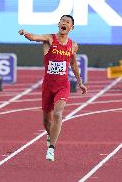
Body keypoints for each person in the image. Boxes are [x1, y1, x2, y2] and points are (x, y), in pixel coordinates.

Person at [18, 15, 87, 162]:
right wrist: (25, 33)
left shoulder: (73, 45)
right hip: (48, 86)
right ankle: (50, 135)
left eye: (68, 22)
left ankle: (51, 148)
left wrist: (80, 82)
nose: (64, 23)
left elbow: (73, 64)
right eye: (63, 21)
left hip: (63, 85)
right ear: (59, 24)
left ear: (71, 28)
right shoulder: (49, 39)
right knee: (46, 122)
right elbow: (34, 37)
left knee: (58, 113)